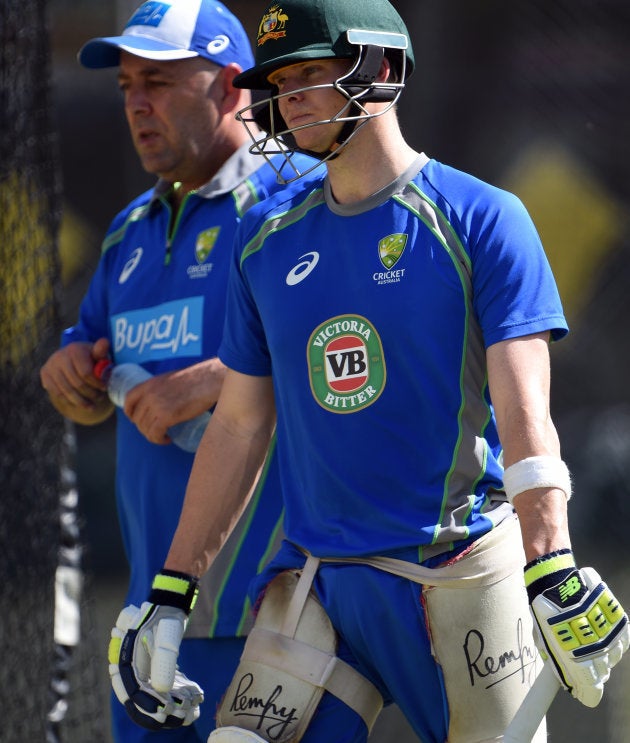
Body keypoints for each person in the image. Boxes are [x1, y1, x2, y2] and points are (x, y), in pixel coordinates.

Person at [103, 0, 630, 741]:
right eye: (280, 82)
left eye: (312, 74)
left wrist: (552, 560)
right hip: (318, 580)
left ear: (381, 70)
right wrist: (170, 589)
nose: (289, 99)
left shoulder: (484, 216)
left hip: (460, 567)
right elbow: (241, 422)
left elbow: (526, 413)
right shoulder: (263, 238)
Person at [39, 1, 319, 740]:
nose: (136, 103)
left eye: (158, 82)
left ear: (230, 85)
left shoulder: (297, 204)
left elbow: (344, 359)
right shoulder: (131, 228)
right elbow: (94, 356)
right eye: (127, 84)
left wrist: (208, 383)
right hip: (148, 621)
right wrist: (73, 367)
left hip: (270, 619)